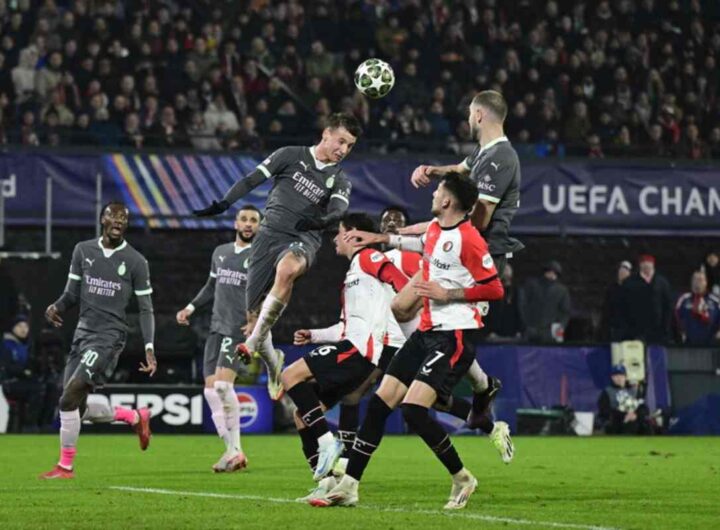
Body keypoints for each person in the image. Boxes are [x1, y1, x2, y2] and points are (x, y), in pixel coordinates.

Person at [312, 174, 505, 510]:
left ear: (447, 201)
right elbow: (419, 243)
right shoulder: (435, 230)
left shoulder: (469, 239)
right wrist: (377, 236)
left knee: (414, 410)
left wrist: (449, 293)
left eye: (438, 190)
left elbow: (494, 288)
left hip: (452, 335)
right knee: (379, 403)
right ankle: (350, 486)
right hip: (425, 334)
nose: (433, 193)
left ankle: (462, 477)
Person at [193, 113, 363, 400]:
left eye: (350, 146)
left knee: (287, 270)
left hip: (302, 237)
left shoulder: (339, 179)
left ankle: (252, 340)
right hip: (267, 237)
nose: (344, 150)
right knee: (253, 316)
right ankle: (275, 366)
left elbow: (337, 211)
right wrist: (224, 203)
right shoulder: (289, 155)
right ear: (326, 134)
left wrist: (317, 223)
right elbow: (251, 180)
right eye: (341, 141)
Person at [400, 90, 521, 436]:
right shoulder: (484, 153)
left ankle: (468, 382)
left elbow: (477, 220)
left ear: (479, 115)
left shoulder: (501, 159)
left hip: (472, 257)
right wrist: (434, 170)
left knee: (436, 320)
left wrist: (428, 230)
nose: (468, 119)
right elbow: (460, 171)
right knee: (401, 306)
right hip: (452, 247)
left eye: (470, 113)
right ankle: (465, 379)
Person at [282, 213, 409, 497]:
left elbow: (399, 280)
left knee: (290, 374)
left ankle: (328, 441)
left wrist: (410, 310)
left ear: (352, 234)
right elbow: (345, 325)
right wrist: (314, 335)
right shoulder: (354, 273)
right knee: (302, 415)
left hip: (358, 351)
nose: (335, 239)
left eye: (338, 233)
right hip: (354, 350)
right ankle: (326, 484)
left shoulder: (368, 258)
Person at [39, 201, 157, 479]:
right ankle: (134, 417)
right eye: (112, 215)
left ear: (126, 225)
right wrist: (55, 307)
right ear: (102, 220)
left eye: (123, 218)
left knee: (68, 398)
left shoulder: (136, 261)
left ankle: (65, 466)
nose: (117, 221)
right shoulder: (83, 250)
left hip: (109, 337)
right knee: (74, 408)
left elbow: (146, 308)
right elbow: (71, 294)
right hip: (82, 335)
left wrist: (149, 347)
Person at [176, 205, 262, 472]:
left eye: (253, 221)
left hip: (237, 330)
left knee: (224, 388)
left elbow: (265, 293)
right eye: (244, 219)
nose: (248, 224)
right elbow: (211, 286)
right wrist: (190, 307)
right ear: (236, 224)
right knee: (211, 391)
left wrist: (255, 323)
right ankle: (232, 450)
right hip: (216, 328)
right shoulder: (220, 253)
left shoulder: (260, 257)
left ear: (259, 227)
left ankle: (235, 451)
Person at [0, 315, 43, 431]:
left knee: (45, 387)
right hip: (9, 383)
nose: (23, 329)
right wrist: (23, 371)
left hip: (23, 381)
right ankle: (29, 426)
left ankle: (40, 424)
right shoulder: (6, 344)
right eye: (19, 326)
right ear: (13, 328)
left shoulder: (27, 345)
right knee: (36, 390)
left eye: (26, 326)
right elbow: (6, 367)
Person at [619, 255, 674, 344]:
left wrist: (666, 328)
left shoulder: (662, 282)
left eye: (649, 265)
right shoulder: (629, 283)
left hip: (658, 331)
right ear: (640, 266)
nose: (646, 267)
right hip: (635, 331)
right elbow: (623, 306)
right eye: (644, 265)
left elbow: (668, 306)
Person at [521, 261, 571, 343]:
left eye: (554, 273)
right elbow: (523, 306)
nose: (551, 275)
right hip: (532, 329)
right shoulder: (532, 285)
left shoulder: (562, 291)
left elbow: (564, 314)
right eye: (550, 272)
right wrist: (525, 326)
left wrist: (557, 333)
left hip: (549, 332)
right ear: (545, 272)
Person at [597, 364, 650, 435]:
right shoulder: (607, 392)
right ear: (612, 377)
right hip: (616, 422)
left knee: (647, 426)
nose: (619, 378)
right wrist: (623, 415)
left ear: (625, 377)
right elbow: (604, 410)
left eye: (621, 375)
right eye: (616, 376)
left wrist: (636, 415)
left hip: (634, 420)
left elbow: (643, 407)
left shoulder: (634, 390)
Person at [674, 271, 720, 346]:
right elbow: (676, 316)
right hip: (688, 344)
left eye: (700, 280)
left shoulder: (715, 301)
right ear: (691, 282)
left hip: (711, 345)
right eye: (695, 280)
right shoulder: (683, 299)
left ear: (706, 282)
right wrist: (681, 332)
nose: (697, 282)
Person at [601, 261, 633, 341]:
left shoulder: (633, 289)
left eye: (625, 271)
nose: (622, 272)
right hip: (614, 329)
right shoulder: (611, 289)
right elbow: (606, 309)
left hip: (629, 329)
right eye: (621, 270)